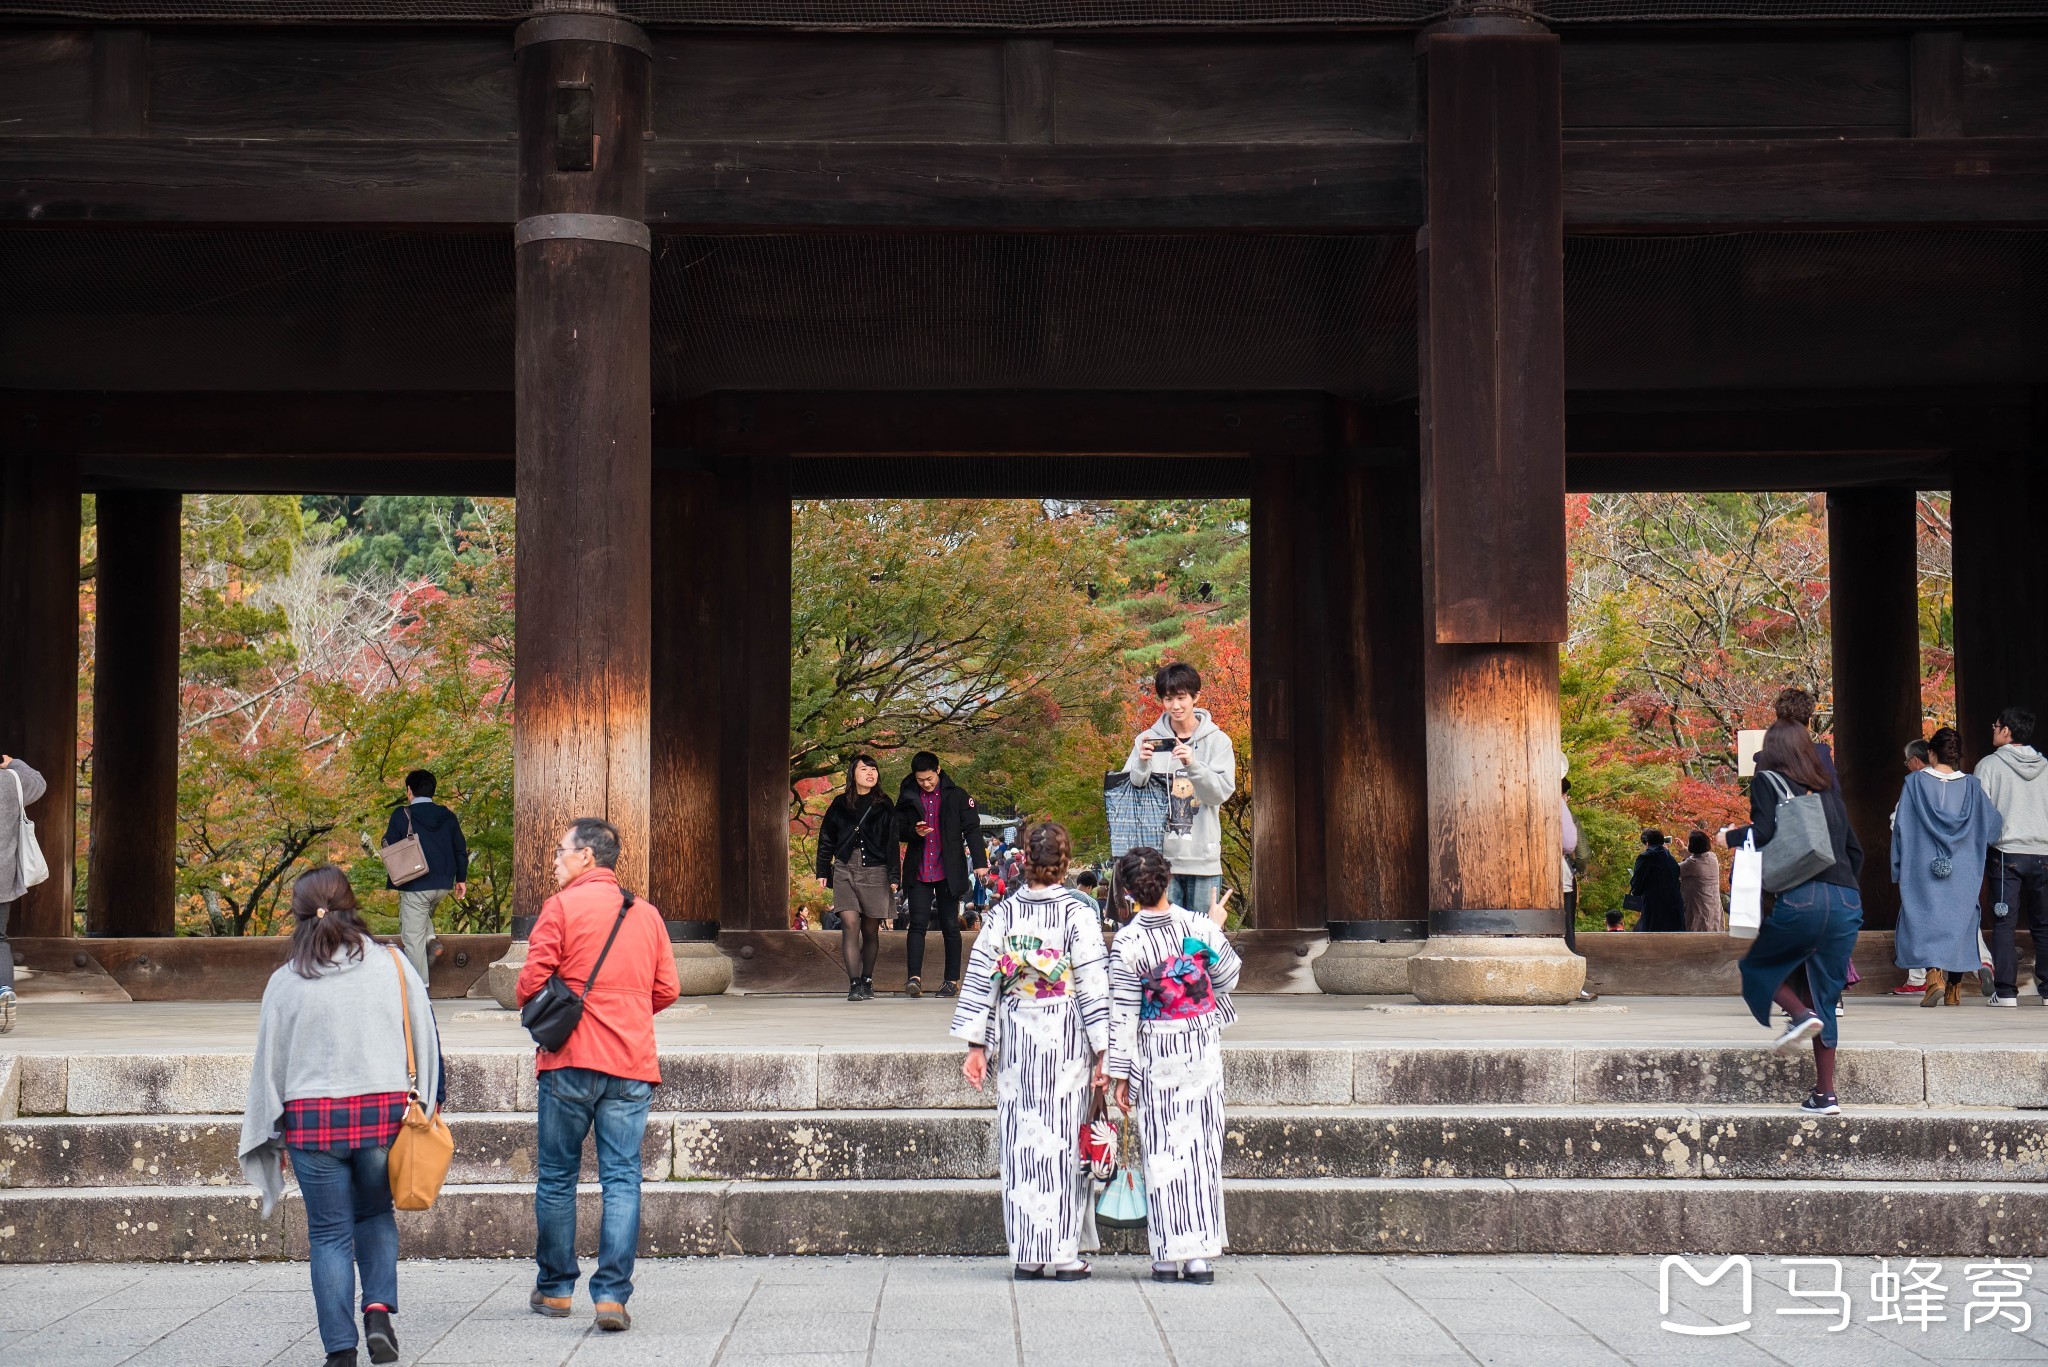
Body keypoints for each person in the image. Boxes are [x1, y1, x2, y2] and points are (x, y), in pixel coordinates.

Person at [240, 866, 442, 1367]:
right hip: (383, 1115)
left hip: (311, 1123)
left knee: (328, 1233)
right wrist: (430, 1102)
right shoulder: (393, 965)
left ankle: (339, 1351)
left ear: (299, 914)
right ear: (353, 906)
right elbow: (425, 1038)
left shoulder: (285, 982)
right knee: (375, 1214)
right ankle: (377, 1310)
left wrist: (270, 1135)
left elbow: (270, 1064)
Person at [516, 818, 680, 1333]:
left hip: (568, 1058)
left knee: (559, 1177)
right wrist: (626, 1012)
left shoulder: (560, 907)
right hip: (630, 1061)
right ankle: (611, 1296)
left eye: (560, 851)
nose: (554, 859)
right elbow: (668, 988)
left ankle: (557, 1288)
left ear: (587, 857)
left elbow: (529, 983)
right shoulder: (647, 914)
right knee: (623, 1177)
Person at [950, 822, 1110, 1281]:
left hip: (1017, 1028)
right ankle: (1062, 1253)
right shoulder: (1077, 914)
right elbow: (1094, 985)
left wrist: (977, 1044)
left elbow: (984, 977)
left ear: (1025, 858)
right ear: (1063, 863)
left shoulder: (1003, 914)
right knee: (1060, 1137)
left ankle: (1027, 1252)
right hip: (1065, 1031)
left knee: (1021, 1138)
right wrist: (1105, 1050)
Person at [1107, 844, 1241, 1285]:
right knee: (1201, 1146)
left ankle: (1165, 1255)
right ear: (1168, 880)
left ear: (1129, 892)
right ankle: (1199, 1255)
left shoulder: (1127, 940)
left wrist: (1120, 1072)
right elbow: (1226, 978)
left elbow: (1124, 1010)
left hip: (1154, 1046)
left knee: (1162, 1145)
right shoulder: (1196, 926)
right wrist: (1214, 930)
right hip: (1199, 1042)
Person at [1721, 717, 1863, 1115]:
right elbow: (1856, 852)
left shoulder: (1768, 782)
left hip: (1805, 896)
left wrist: (1728, 837)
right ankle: (1825, 1095)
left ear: (1774, 750)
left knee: (1757, 970)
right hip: (1848, 899)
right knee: (1825, 996)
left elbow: (1763, 834)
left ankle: (1798, 1016)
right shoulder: (1830, 793)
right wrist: (1844, 894)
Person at [1892, 725, 2000, 1008]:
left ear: (1930, 753)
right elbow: (1993, 827)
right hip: (1964, 868)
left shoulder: (1914, 784)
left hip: (1922, 866)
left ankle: (1933, 978)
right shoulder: (1973, 787)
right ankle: (1954, 987)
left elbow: (1901, 828)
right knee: (1960, 923)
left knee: (1923, 921)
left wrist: (1897, 866)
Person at [1123, 662, 1238, 914]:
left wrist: (1193, 765)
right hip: (1159, 861)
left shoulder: (1217, 741)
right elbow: (1130, 795)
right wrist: (1141, 763)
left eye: (1181, 698)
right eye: (1168, 699)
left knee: (1202, 940)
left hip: (1203, 860)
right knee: (1164, 940)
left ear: (1196, 697)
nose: (1175, 706)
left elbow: (1218, 794)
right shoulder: (1146, 739)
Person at [896, 752, 989, 999]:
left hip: (948, 869)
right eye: (920, 780)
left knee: (950, 925)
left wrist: (980, 863)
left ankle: (951, 980)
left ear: (938, 770)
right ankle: (913, 978)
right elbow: (897, 829)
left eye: (929, 778)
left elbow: (971, 828)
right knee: (916, 924)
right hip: (919, 868)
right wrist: (914, 831)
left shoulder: (956, 795)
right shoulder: (908, 795)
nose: (926, 783)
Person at [1974, 706, 2048, 1007]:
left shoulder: (1989, 766)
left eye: (1996, 725)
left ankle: (2005, 992)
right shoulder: (2046, 767)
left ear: (2006, 731)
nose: (1993, 729)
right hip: (2043, 853)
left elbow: (1981, 813)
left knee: (2004, 923)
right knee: (2044, 925)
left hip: (2005, 855)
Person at [815, 755, 900, 1002]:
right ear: (853, 773)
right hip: (844, 869)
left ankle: (867, 980)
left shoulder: (884, 804)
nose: (870, 773)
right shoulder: (840, 803)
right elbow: (827, 837)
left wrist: (894, 875)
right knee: (850, 925)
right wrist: (822, 870)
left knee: (870, 929)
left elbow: (892, 840)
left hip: (876, 870)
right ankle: (853, 983)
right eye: (864, 769)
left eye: (873, 769)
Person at [380, 769, 469, 982]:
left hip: (416, 883)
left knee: (412, 938)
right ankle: (431, 939)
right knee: (417, 917)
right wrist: (461, 879)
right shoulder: (448, 815)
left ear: (409, 791)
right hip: (443, 885)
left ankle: (419, 989)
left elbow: (389, 845)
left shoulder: (402, 814)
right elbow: (460, 848)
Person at [0, 752, 47, 1035]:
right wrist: (13, 763)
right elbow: (38, 782)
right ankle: (3, 990)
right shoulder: (12, 783)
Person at [1892, 739, 1937, 995]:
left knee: (1915, 914)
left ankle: (1920, 977)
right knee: (1957, 913)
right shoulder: (1959, 782)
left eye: (1907, 761)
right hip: (1950, 861)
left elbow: (1898, 823)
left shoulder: (1914, 784)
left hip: (1918, 860)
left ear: (1916, 761)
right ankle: (1982, 962)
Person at [1627, 830, 1685, 932]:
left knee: (1652, 941)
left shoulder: (1645, 857)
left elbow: (1637, 886)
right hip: (1674, 907)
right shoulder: (1670, 858)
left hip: (1654, 908)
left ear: (1647, 843)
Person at [1679, 830, 1724, 933]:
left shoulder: (1692, 864)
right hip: (1714, 908)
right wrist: (1684, 849)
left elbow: (1673, 869)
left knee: (1696, 940)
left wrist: (1664, 852)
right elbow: (1698, 857)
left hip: (1699, 911)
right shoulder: (1712, 857)